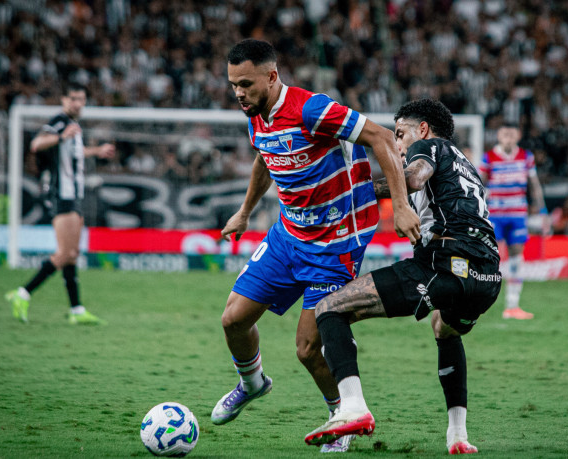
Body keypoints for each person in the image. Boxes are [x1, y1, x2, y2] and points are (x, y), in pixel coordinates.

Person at [211, 39, 420, 453]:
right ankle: (253, 384)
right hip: (289, 235)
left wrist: (399, 208)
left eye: (246, 84)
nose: (238, 92)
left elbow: (379, 137)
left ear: (272, 77)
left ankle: (340, 418)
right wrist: (244, 212)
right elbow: (263, 158)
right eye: (233, 84)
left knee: (309, 349)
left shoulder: (311, 109)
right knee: (233, 320)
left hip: (334, 244)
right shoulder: (256, 112)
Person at [304, 99, 501, 455]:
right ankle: (457, 435)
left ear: (422, 129)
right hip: (487, 277)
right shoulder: (467, 164)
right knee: (445, 328)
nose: (396, 144)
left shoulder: (428, 146)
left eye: (399, 134)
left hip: (444, 262)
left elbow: (411, 178)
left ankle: (351, 407)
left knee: (330, 307)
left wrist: (356, 192)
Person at [5, 82, 115, 324]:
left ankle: (76, 310)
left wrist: (96, 151)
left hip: (73, 195)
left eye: (82, 99)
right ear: (64, 100)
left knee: (72, 254)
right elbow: (37, 144)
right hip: (61, 195)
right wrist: (60, 135)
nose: (78, 103)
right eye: (73, 98)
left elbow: (74, 152)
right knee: (66, 253)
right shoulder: (60, 121)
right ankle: (22, 293)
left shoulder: (74, 125)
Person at [478, 124, 546, 320]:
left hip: (517, 215)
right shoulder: (489, 157)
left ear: (518, 135)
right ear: (498, 135)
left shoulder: (526, 157)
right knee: (489, 258)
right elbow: (479, 184)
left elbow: (534, 185)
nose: (507, 136)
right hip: (495, 216)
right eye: (504, 133)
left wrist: (542, 211)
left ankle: (512, 305)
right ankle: (478, 301)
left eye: (511, 133)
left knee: (517, 257)